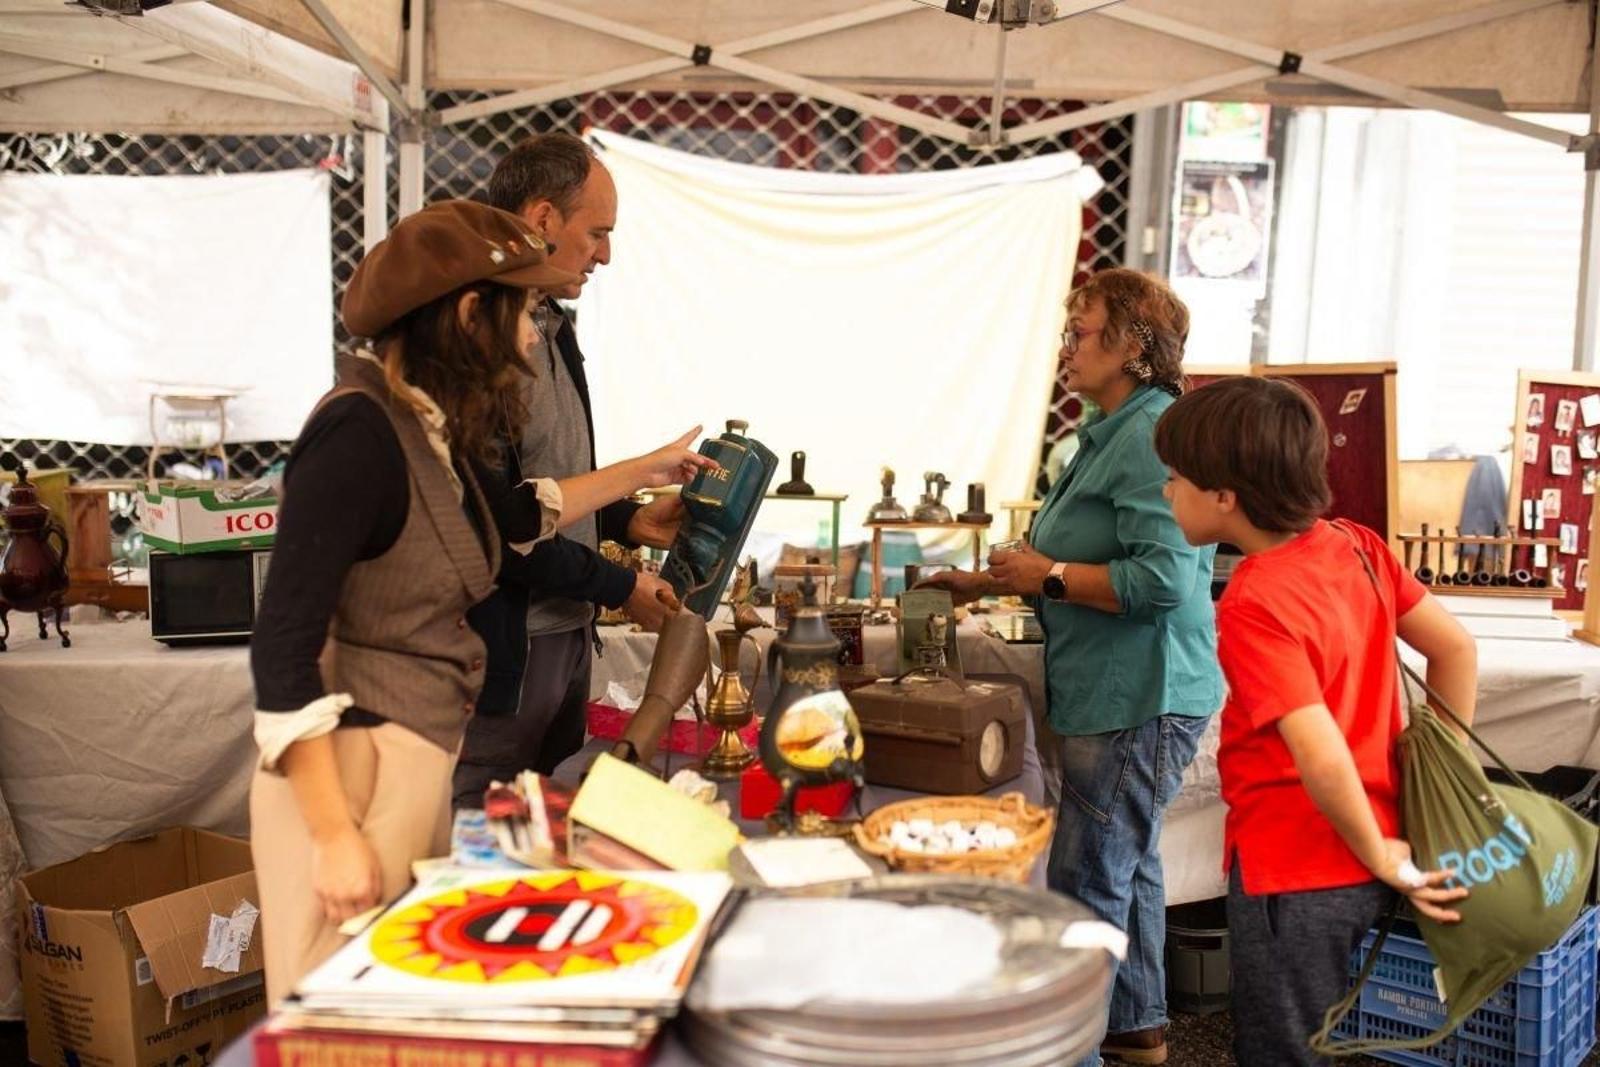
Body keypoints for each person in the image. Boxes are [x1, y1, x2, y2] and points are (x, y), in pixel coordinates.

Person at [248, 200, 714, 1004]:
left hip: (405, 770)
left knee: (404, 1017)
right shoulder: (357, 433)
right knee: (338, 1025)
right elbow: (283, 649)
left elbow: (513, 518)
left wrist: (642, 472)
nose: (533, 337)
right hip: (347, 784)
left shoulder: (425, 430)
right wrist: (332, 836)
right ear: (470, 316)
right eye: (523, 312)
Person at [919, 269, 1220, 1066]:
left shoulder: (1150, 434)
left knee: (1089, 878)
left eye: (1078, 333)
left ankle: (1072, 1051)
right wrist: (986, 581)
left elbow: (1162, 579)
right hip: (1123, 687)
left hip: (1138, 691)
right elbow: (1079, 551)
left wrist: (1046, 574)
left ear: (1130, 345)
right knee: (1129, 861)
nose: (1065, 349)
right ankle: (1133, 1027)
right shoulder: (1113, 429)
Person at [1152, 375, 1475, 1066]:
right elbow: (1456, 650)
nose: (1166, 491)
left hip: (1295, 868)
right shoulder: (1359, 545)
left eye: (1175, 478)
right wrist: (1425, 797)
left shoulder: (1254, 598)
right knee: (1330, 1033)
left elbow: (1319, 750)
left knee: (1284, 1047)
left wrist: (1377, 850)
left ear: (1224, 496)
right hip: (1372, 842)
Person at [451, 133, 687, 806]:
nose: (605, 255)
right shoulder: (477, 338)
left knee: (550, 832)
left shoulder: (553, 324)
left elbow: (553, 479)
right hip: (502, 657)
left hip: (566, 641)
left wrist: (629, 521)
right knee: (481, 834)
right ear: (544, 219)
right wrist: (620, 584)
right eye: (597, 233)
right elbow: (506, 521)